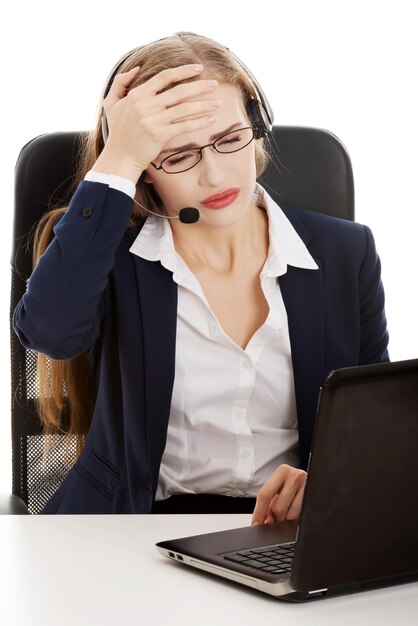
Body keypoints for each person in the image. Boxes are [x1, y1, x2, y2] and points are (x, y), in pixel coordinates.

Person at [13, 32, 389, 519]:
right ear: (147, 169)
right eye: (177, 155)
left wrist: (330, 482)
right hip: (132, 531)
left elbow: (373, 424)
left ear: (255, 123)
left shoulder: (346, 252)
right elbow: (49, 333)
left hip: (286, 530)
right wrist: (119, 158)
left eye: (230, 140)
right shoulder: (109, 257)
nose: (214, 175)